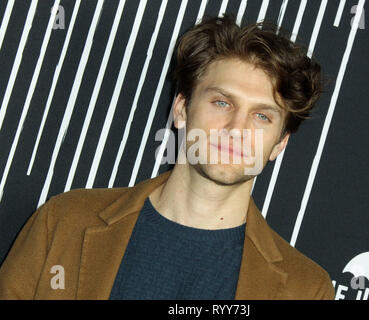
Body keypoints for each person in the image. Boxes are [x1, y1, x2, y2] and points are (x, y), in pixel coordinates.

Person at [0, 15, 335, 300]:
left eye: (262, 116)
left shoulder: (306, 289)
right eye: (222, 102)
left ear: (280, 144)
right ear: (181, 110)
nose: (237, 128)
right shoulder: (62, 223)